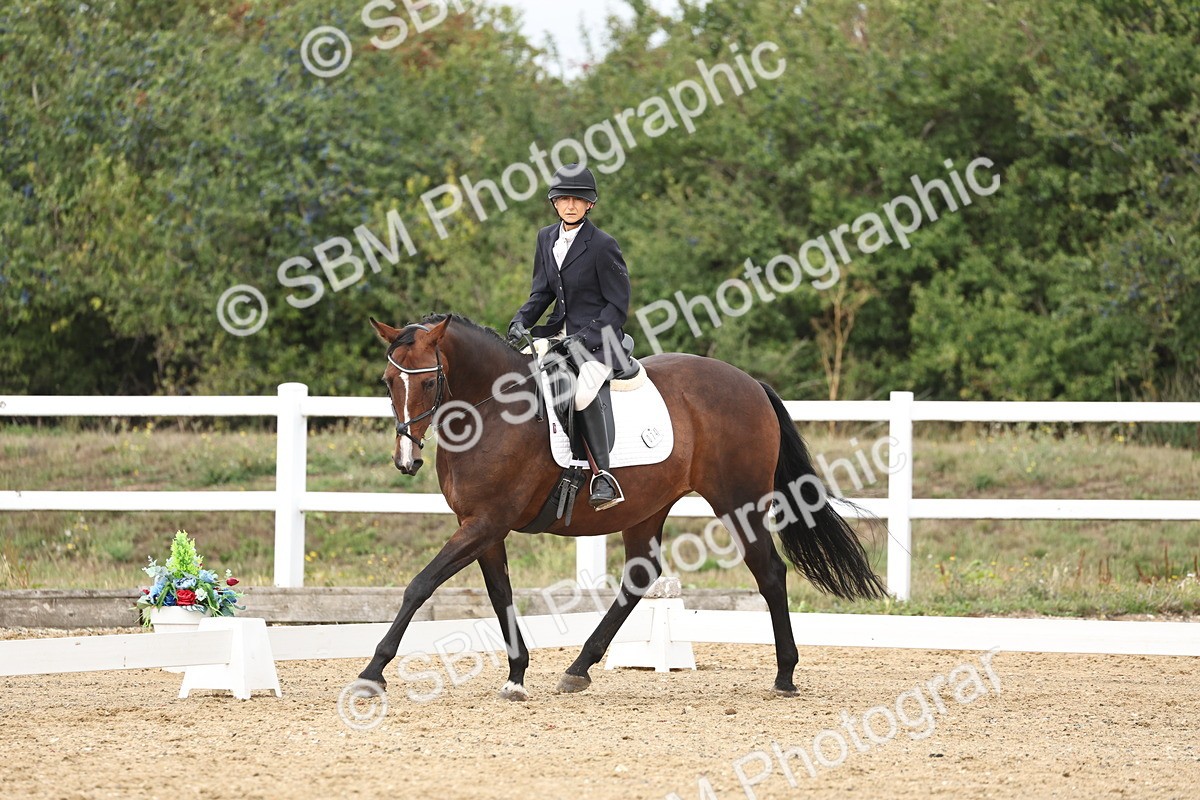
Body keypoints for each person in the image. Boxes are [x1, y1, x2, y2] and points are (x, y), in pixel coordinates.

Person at [506, 163, 631, 510]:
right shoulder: (546, 238)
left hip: (600, 341)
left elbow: (618, 306)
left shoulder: (603, 245)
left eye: (578, 199)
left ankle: (603, 477)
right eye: (563, 199)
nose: (570, 205)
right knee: (519, 380)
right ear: (554, 203)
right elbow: (541, 292)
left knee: (580, 394)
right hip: (558, 337)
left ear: (590, 204)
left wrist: (584, 338)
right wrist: (521, 321)